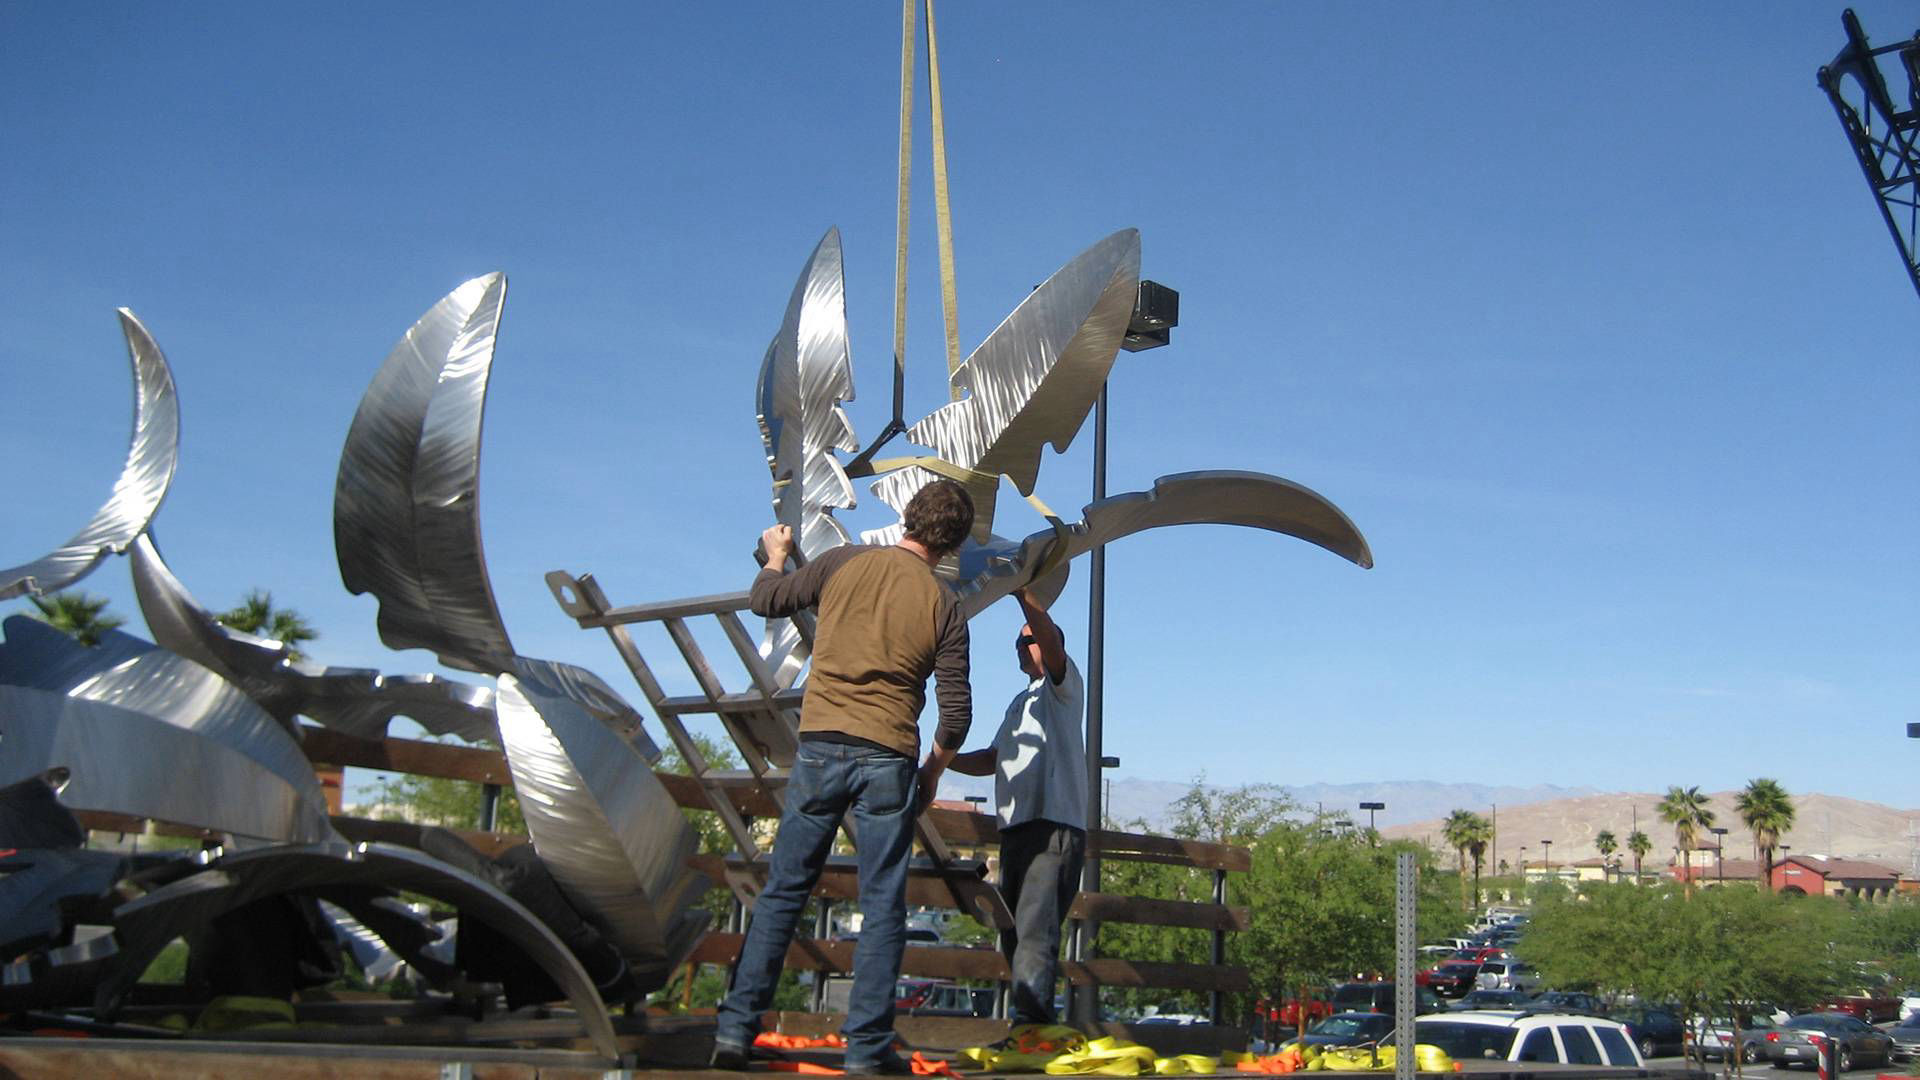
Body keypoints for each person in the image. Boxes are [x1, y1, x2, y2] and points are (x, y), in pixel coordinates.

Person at [711, 479, 976, 1075]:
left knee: (784, 892)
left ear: (908, 517)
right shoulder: (945, 604)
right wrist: (931, 773)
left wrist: (775, 555)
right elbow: (955, 715)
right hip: (889, 756)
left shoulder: (841, 562)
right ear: (953, 543)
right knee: (883, 906)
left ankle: (733, 1032)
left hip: (821, 743)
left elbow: (767, 600)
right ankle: (865, 1050)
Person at [949, 587, 1086, 1033]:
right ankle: (1032, 1024)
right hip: (1017, 827)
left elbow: (1051, 643)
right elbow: (992, 759)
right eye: (1018, 643)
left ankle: (1033, 1029)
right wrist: (940, 758)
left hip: (1054, 827)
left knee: (1034, 929)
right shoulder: (1020, 703)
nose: (1023, 647)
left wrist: (1025, 592)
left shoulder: (1063, 687)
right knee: (1012, 929)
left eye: (1029, 640)